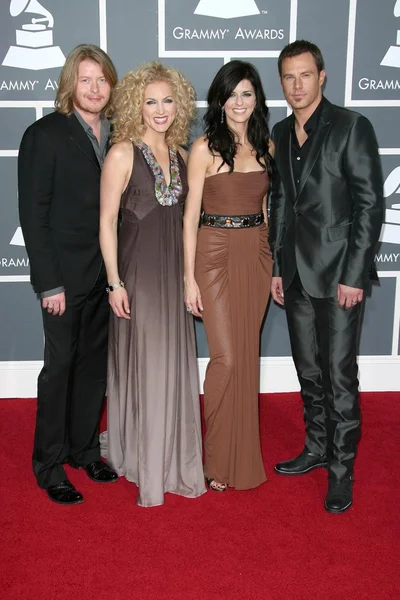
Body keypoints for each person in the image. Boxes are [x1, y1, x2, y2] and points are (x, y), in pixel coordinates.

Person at [269, 40, 384, 513]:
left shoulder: (351, 126)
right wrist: (278, 266)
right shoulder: (278, 130)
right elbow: (280, 203)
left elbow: (369, 205)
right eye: (288, 78)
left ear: (322, 76)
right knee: (309, 371)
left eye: (304, 75)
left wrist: (355, 274)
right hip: (295, 274)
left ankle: (342, 470)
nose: (296, 85)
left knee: (339, 376)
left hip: (339, 275)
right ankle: (316, 448)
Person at [99, 62, 206, 507]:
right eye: (150, 101)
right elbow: (105, 223)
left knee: (172, 366)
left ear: (177, 104)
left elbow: (188, 224)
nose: (159, 110)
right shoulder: (122, 152)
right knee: (145, 366)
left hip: (171, 276)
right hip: (137, 278)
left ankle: (172, 457)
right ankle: (142, 457)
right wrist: (114, 283)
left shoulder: (181, 156)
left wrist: (189, 279)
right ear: (135, 106)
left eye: (167, 100)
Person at [18, 44, 119, 505]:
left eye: (102, 80)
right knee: (59, 369)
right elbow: (33, 215)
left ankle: (82, 449)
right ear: (70, 85)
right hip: (64, 277)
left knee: (93, 368)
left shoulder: (118, 136)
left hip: (106, 275)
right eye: (86, 80)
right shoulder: (45, 134)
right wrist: (49, 283)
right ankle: (50, 463)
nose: (95, 88)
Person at [183, 61, 274, 492]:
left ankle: (241, 453)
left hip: (256, 253)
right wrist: (188, 277)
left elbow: (271, 211)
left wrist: (275, 264)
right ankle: (216, 459)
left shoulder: (265, 145)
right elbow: (188, 219)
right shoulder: (203, 148)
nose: (239, 102)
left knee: (247, 355)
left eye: (247, 94)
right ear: (219, 100)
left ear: (257, 99)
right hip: (214, 253)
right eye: (232, 94)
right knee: (227, 358)